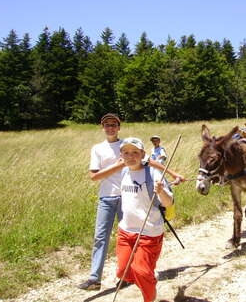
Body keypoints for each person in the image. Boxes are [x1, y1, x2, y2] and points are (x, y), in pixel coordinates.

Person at [116, 137, 185, 302]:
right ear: (121, 156)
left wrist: (161, 191)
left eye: (135, 152)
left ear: (143, 154)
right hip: (125, 231)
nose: (130, 156)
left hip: (149, 233)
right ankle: (146, 280)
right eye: (126, 152)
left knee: (141, 271)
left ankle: (149, 295)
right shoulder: (124, 172)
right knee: (122, 272)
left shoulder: (153, 173)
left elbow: (169, 202)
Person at [78, 113, 126, 291]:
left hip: (126, 197)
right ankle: (94, 279)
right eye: (107, 125)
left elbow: (143, 164)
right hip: (106, 197)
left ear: (119, 127)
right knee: (100, 237)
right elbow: (94, 176)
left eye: (114, 124)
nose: (110, 128)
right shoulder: (97, 148)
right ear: (102, 127)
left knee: (126, 238)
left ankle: (126, 275)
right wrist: (117, 166)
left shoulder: (126, 145)